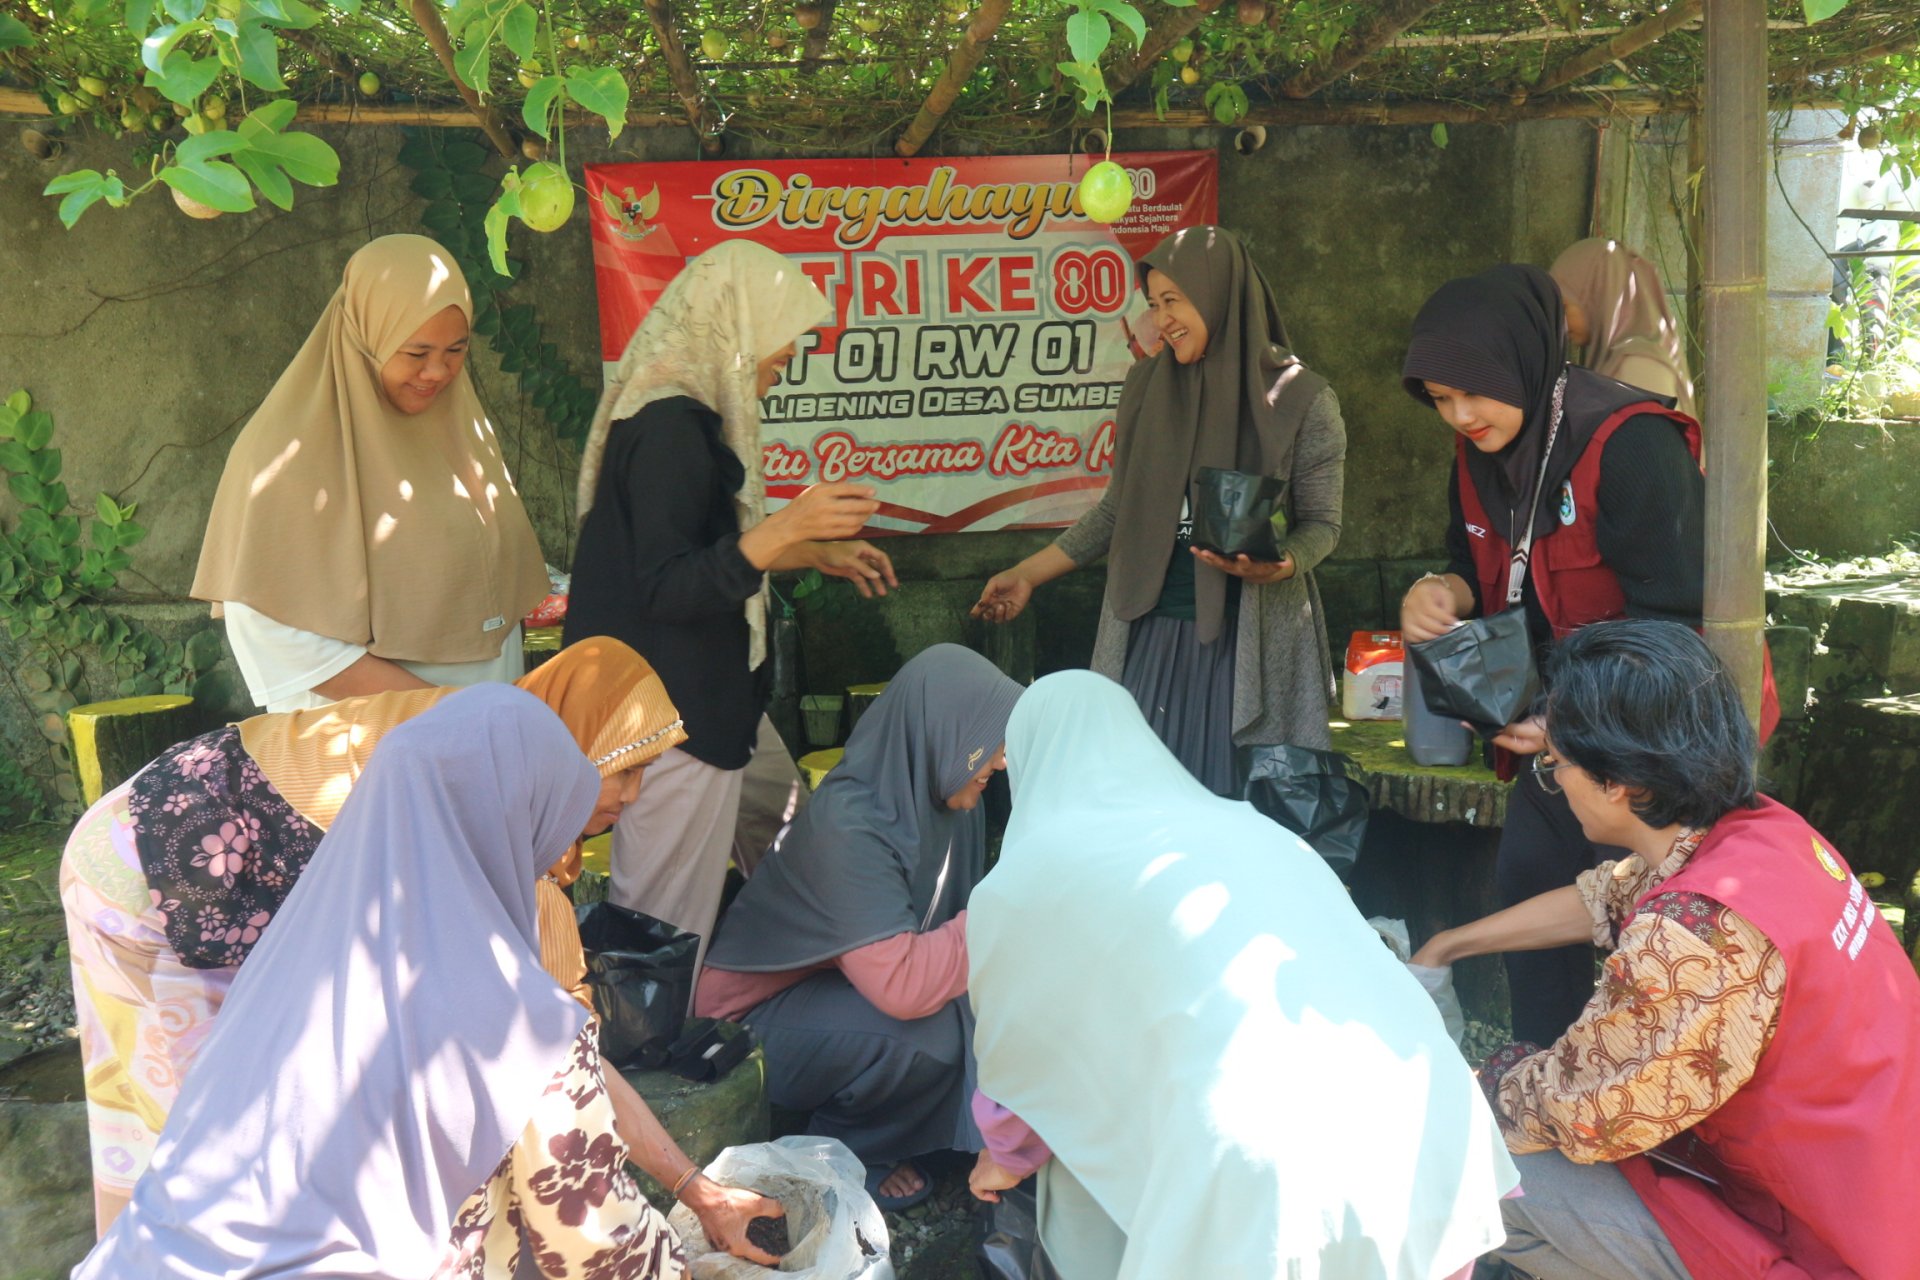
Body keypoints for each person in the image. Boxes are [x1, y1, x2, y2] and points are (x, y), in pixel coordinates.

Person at [61, 640, 779, 1262]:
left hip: (222, 887)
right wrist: (696, 1200)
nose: (633, 796)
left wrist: (698, 1191)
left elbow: (557, 1050)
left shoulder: (481, 750)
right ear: (571, 753)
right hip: (147, 879)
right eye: (624, 768)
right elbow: (559, 1062)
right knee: (210, 1152)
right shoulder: (468, 808)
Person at [966, 670, 1518, 1279]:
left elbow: (1026, 1054)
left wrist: (1007, 1157)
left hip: (1260, 1169)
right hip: (1425, 1128)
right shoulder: (1258, 830)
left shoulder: (1027, 881)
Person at [1411, 621, 1920, 1280]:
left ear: (1621, 783)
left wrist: (1478, 1083)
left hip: (1824, 1246)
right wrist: (1448, 945)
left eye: (1555, 763)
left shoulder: (1694, 940)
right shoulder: (1764, 836)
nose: (1555, 781)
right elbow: (1606, 894)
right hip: (1875, 1192)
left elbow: (1589, 1113)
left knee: (1463, 1159)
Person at [1396, 263, 1772, 1048]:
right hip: (1556, 741)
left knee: (1652, 937)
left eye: (1474, 391)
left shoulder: (1630, 442)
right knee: (1533, 886)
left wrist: (1570, 722)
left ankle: (1644, 1110)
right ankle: (1545, 1080)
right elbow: (1473, 568)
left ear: (1527, 360)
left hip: (1658, 742)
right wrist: (1440, 592)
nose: (1460, 416)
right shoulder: (1480, 452)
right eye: (1438, 401)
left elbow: (1677, 620)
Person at [567, 239, 898, 970]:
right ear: (741, 326)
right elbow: (665, 586)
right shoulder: (669, 430)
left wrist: (808, 551)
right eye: (783, 343)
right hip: (672, 719)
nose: (785, 364)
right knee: (662, 935)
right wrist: (785, 528)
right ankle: (648, 1074)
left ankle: (827, 993)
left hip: (717, 701)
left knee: (799, 856)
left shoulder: (686, 419)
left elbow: (692, 554)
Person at [973, 226, 1346, 797]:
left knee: (1231, 816)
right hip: (1147, 636)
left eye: (1174, 300)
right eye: (1153, 304)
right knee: (1139, 806)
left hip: (1246, 648)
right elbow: (1118, 509)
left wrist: (1283, 564)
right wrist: (1027, 574)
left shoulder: (1301, 398)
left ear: (1220, 294)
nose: (1162, 319)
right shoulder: (1146, 385)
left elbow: (1323, 524)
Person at [694, 644, 1022, 1210]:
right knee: (925, 1035)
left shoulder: (947, 800)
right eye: (993, 740)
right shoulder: (850, 824)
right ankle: (839, 1152)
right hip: (743, 1026)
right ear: (949, 731)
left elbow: (959, 944)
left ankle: (922, 1128)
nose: (1003, 761)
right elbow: (905, 986)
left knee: (968, 1003)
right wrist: (1018, 913)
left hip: (839, 990)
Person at [193, 234, 551, 711]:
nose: (438, 372)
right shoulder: (284, 453)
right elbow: (267, 624)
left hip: (477, 742)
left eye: (456, 351)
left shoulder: (459, 431)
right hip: (366, 752)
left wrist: (484, 725)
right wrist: (444, 711)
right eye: (416, 353)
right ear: (367, 338)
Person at [1549, 238, 1696, 416]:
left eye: (1565, 307)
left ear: (1597, 299)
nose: (1560, 322)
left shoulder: (1640, 366)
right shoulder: (1619, 360)